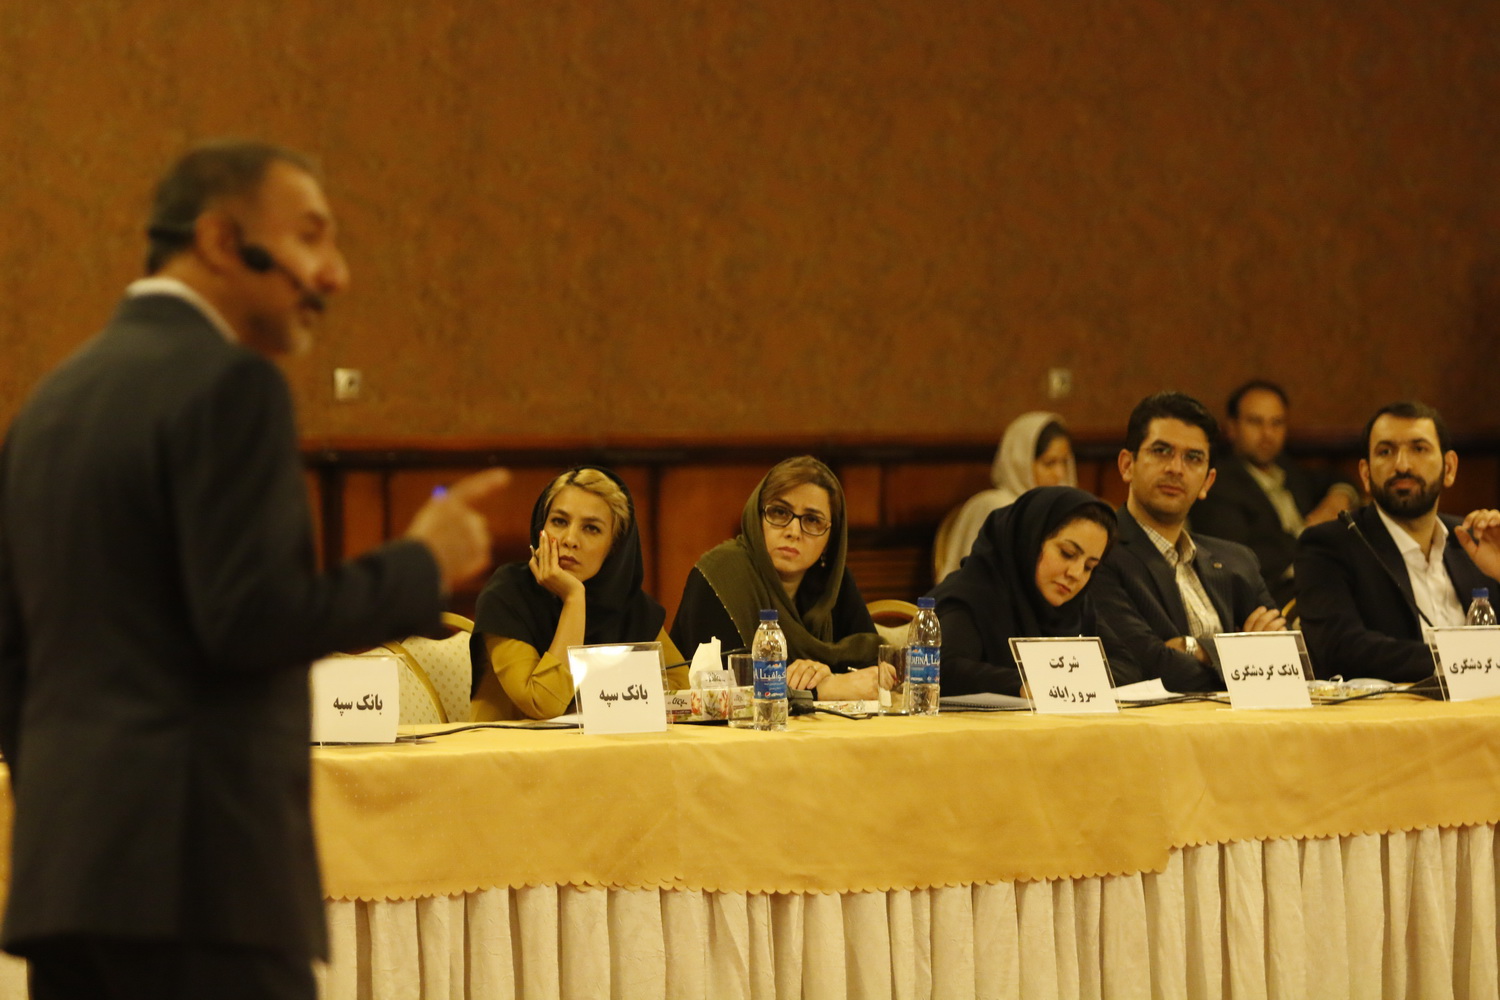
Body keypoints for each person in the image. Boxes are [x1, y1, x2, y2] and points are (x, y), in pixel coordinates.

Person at [0, 140, 507, 1000]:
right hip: (201, 884)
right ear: (220, 240)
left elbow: (14, 658)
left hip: (70, 884)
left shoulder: (48, 405)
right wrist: (422, 562)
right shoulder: (233, 385)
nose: (335, 273)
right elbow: (251, 619)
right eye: (310, 237)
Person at [1089, 392, 1284, 691]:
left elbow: (1286, 661)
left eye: (1193, 458)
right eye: (1161, 451)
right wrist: (1246, 658)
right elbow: (1150, 668)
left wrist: (1195, 648)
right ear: (1127, 465)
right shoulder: (1100, 554)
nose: (1176, 468)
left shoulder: (1237, 561)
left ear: (1207, 481)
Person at [1295, 402, 1500, 682]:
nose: (1402, 465)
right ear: (1366, 474)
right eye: (1386, 452)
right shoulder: (1328, 545)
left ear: (1450, 468)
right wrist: (1464, 662)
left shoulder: (1476, 540)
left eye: (1419, 449)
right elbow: (1341, 649)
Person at [470, 467, 684, 719]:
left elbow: (682, 694)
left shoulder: (627, 604)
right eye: (559, 522)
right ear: (541, 529)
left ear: (614, 546)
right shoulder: (508, 593)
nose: (570, 539)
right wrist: (573, 599)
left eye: (591, 528)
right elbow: (542, 703)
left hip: (605, 744)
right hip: (506, 743)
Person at [670, 456, 882, 699]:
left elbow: (873, 666)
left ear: (830, 538)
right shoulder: (721, 575)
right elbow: (720, 692)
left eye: (812, 520)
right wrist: (821, 689)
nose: (793, 532)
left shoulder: (833, 582)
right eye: (780, 512)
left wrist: (827, 675)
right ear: (757, 518)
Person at [930, 486, 1117, 697]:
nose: (1076, 573)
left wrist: (1060, 683)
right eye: (1067, 553)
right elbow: (941, 668)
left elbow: (1127, 665)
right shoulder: (973, 595)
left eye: (1089, 566)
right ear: (1029, 540)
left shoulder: (1077, 608)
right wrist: (1023, 685)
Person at [1190, 380, 1357, 607]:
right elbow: (1239, 559)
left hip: (1324, 582)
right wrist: (1313, 537)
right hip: (1275, 599)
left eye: (1276, 423)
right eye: (1255, 422)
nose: (1267, 434)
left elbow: (1337, 479)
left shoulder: (1287, 469)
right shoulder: (1216, 483)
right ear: (1232, 427)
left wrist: (1339, 497)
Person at [934, 411, 1076, 581]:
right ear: (1020, 461)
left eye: (1064, 462)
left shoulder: (1068, 509)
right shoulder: (995, 506)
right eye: (1049, 463)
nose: (1060, 474)